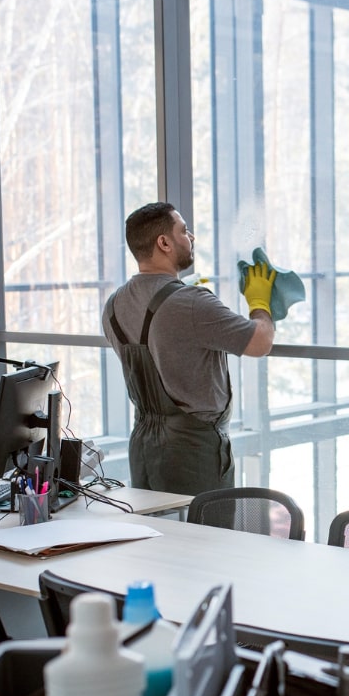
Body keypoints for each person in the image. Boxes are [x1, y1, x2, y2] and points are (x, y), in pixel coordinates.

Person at [102, 202, 276, 495]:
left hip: (144, 447)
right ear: (164, 243)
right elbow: (260, 342)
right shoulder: (191, 302)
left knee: (157, 536)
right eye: (184, 230)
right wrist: (260, 303)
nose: (191, 237)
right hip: (193, 450)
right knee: (208, 537)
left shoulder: (114, 304)